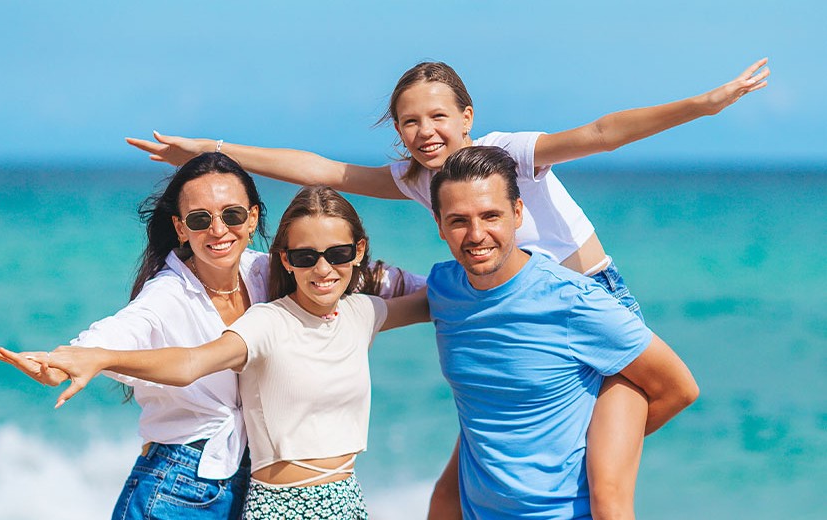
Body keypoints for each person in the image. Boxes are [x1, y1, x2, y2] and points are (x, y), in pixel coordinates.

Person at [123, 57, 766, 518]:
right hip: (500, 321)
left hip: (591, 307)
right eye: (408, 122)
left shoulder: (501, 156)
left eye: (438, 116)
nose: (425, 131)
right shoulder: (415, 180)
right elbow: (322, 170)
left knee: (607, 494)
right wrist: (215, 151)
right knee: (450, 496)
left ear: (467, 117)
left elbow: (601, 133)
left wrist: (701, 106)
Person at [0, 185, 430, 519]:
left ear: (359, 252)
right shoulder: (267, 322)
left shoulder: (363, 313)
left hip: (348, 502)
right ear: (284, 258)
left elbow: (447, 300)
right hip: (279, 507)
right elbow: (190, 362)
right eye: (305, 255)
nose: (323, 268)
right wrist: (97, 357)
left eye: (338, 253)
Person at [426, 145, 698, 519]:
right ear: (439, 224)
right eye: (459, 220)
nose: (477, 234)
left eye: (491, 216)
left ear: (518, 213)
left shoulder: (573, 301)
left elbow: (677, 388)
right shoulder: (444, 288)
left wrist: (596, 453)